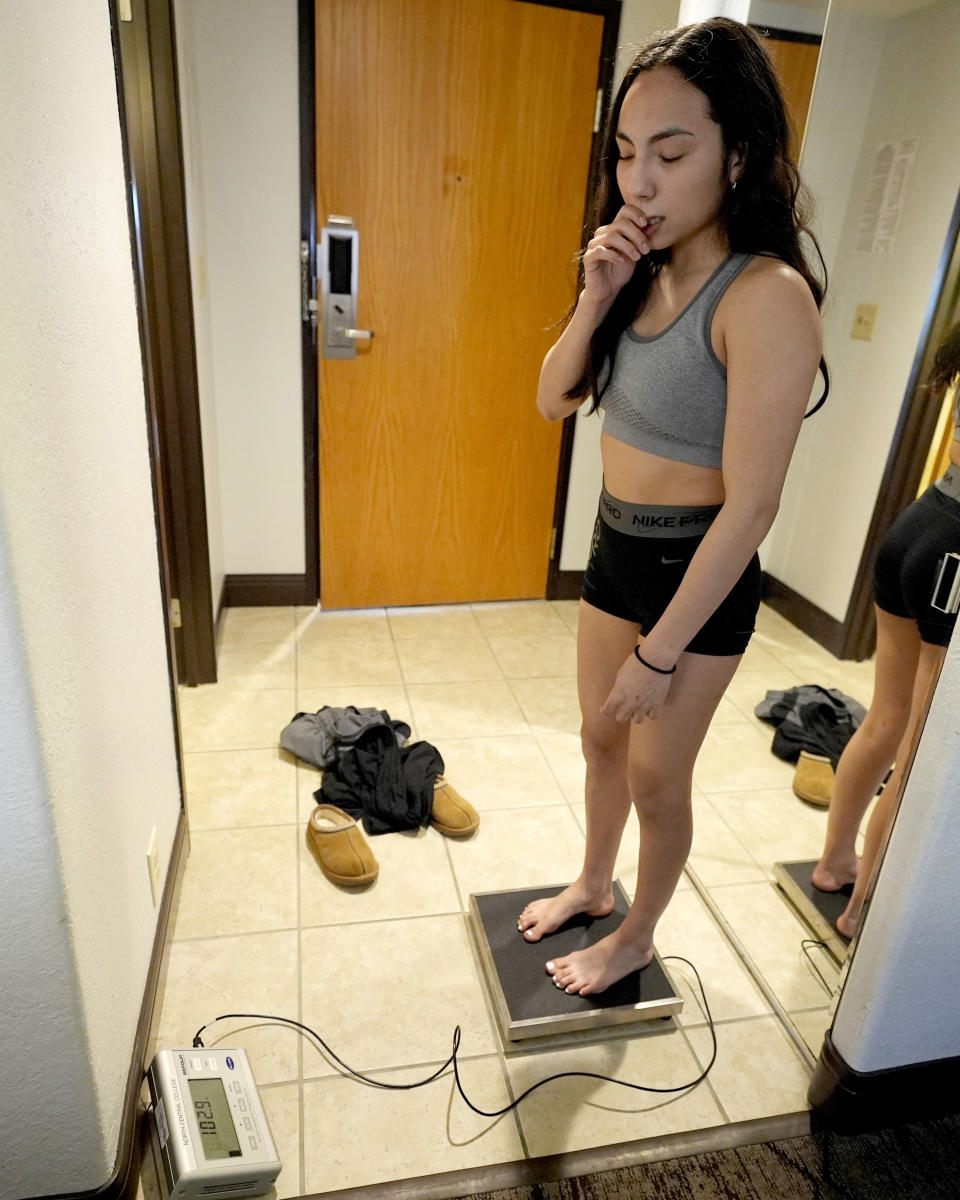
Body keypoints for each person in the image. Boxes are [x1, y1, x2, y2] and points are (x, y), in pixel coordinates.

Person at [516, 17, 827, 996]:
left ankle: (639, 931)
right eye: (624, 153)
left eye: (670, 151)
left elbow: (754, 506)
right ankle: (593, 883)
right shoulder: (642, 269)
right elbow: (553, 397)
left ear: (737, 155)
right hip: (615, 550)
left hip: (698, 572)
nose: (637, 181)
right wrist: (595, 293)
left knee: (658, 778)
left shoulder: (765, 296)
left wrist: (660, 655)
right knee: (600, 741)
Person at [812, 324, 960, 939]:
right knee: (917, 750)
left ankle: (836, 863)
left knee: (887, 718)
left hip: (920, 524)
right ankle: (859, 911)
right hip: (950, 549)